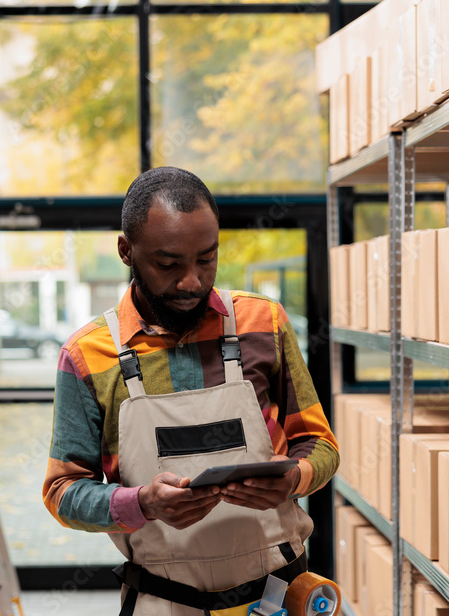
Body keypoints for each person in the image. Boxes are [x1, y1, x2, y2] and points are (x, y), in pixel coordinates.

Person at [42, 167, 339, 615]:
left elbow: (319, 444)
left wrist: (295, 478)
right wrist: (142, 503)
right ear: (127, 251)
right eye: (168, 264)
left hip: (280, 598)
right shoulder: (87, 356)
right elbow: (63, 492)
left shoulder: (265, 323)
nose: (191, 282)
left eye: (206, 259)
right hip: (165, 602)